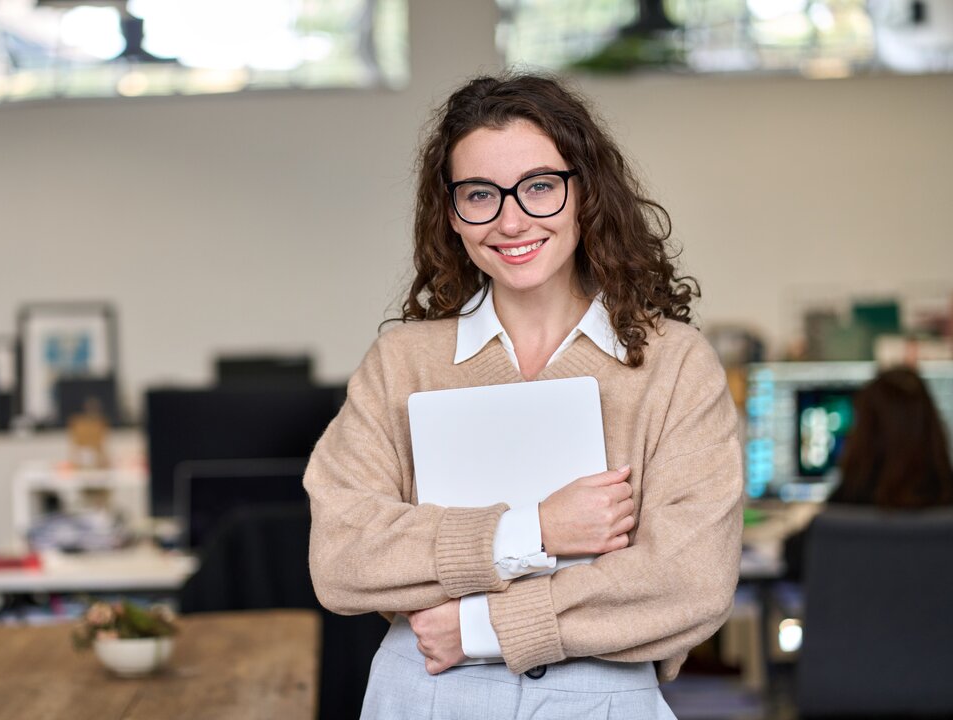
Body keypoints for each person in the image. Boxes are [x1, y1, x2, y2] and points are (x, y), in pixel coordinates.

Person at [303, 72, 743, 719]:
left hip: (598, 696)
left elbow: (689, 581)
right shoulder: (402, 363)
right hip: (423, 690)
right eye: (480, 194)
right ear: (451, 212)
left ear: (584, 192)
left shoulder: (675, 365)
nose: (511, 220)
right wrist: (535, 528)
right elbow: (342, 556)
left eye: (539, 186)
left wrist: (482, 627)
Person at [784, 365, 953, 580]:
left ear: (864, 435)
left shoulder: (846, 507)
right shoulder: (947, 502)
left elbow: (793, 556)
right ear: (933, 430)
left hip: (853, 614)